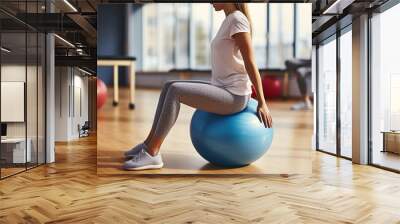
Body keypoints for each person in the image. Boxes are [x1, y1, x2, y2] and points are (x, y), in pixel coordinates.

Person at [123, 3, 273, 170]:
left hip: (234, 96)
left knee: (175, 91)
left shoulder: (238, 19)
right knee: (169, 85)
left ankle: (152, 153)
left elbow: (250, 62)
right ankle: (148, 144)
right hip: (223, 88)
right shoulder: (230, 19)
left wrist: (262, 102)